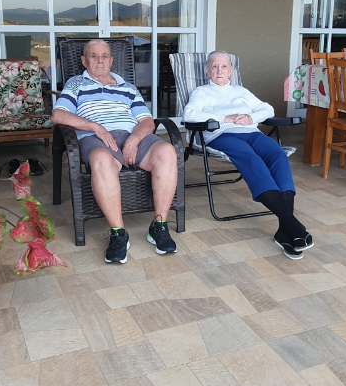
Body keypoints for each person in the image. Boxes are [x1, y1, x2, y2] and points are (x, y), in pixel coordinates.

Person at [51, 39, 178, 264]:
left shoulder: (127, 88)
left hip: (132, 135)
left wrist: (134, 140)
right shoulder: (76, 84)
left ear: (111, 61)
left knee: (167, 151)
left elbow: (146, 121)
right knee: (101, 159)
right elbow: (58, 115)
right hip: (96, 138)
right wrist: (95, 127)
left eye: (104, 56)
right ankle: (119, 233)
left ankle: (158, 226)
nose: (99, 60)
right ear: (84, 61)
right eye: (93, 56)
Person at [183, 50, 313, 260]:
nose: (219, 70)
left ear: (230, 71)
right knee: (252, 159)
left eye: (224, 66)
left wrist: (251, 117)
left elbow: (267, 109)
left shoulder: (240, 91)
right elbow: (189, 115)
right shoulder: (201, 92)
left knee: (277, 154)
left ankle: (285, 230)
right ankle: (293, 225)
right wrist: (226, 118)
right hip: (222, 135)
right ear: (207, 70)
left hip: (251, 132)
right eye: (214, 66)